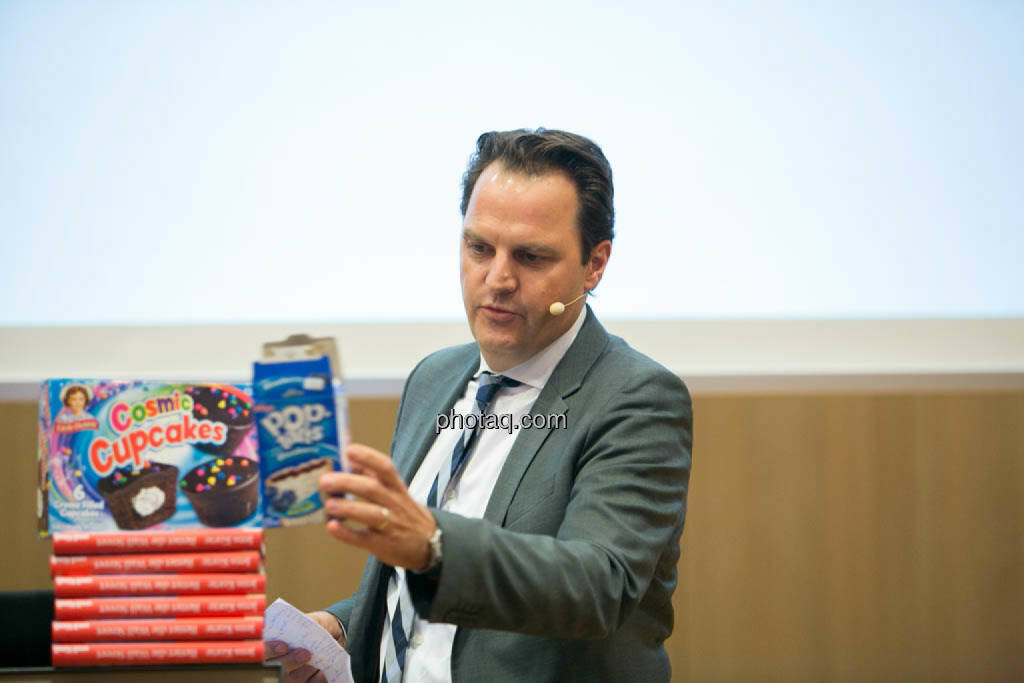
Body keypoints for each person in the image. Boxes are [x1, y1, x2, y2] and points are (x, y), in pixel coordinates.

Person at [266, 128, 693, 682]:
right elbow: (435, 604)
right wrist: (346, 626)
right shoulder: (435, 377)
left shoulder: (636, 398)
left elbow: (595, 587)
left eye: (531, 256)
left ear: (595, 264)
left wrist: (432, 547)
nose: (497, 279)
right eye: (479, 248)